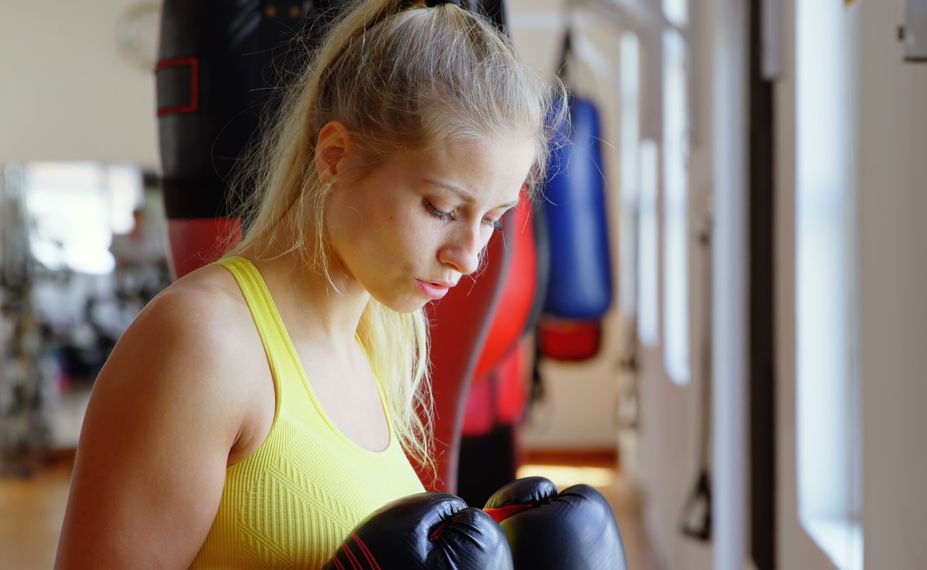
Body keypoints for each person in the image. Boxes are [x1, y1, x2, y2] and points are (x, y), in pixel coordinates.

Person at [54, 0, 561, 566]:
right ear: (335, 157)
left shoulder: (378, 345)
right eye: (441, 208)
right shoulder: (203, 344)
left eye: (491, 218)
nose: (469, 258)